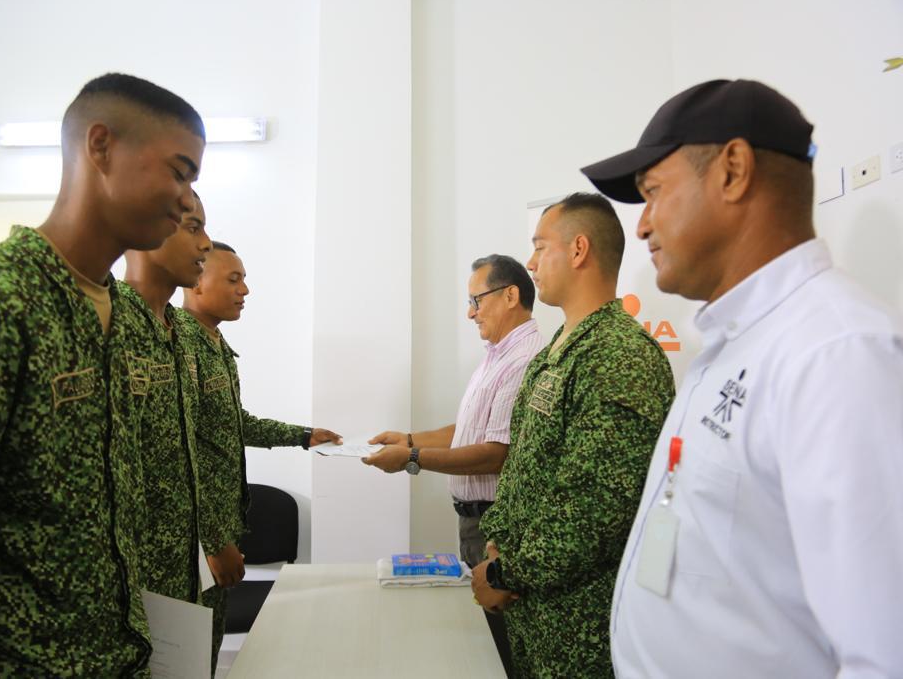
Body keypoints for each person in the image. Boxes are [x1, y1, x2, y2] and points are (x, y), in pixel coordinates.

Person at [0, 73, 205, 675]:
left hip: (118, 658)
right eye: (179, 172)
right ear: (100, 146)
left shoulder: (128, 320)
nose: (188, 201)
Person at [581, 79, 903, 678]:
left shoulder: (835, 354)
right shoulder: (734, 340)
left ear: (733, 170)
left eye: (653, 193)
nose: (643, 225)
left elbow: (885, 654)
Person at [472, 193, 675, 678]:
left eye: (541, 247)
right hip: (534, 612)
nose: (531, 262)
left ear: (579, 250)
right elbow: (522, 468)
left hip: (577, 627)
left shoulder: (619, 355)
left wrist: (505, 572)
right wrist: (497, 541)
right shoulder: (554, 353)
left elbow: (597, 509)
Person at [177, 241, 341, 673]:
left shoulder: (213, 343)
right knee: (184, 657)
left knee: (203, 656)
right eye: (234, 279)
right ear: (196, 279)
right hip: (190, 540)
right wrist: (212, 541)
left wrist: (303, 436)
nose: (245, 290)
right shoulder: (179, 343)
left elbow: (235, 423)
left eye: (244, 279)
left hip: (217, 531)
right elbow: (179, 450)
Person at [364, 254, 543, 568]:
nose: (470, 313)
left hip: (497, 522)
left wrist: (412, 456)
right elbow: (468, 431)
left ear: (510, 296)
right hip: (477, 520)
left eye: (476, 300)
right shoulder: (498, 355)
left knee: (496, 616)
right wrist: (407, 439)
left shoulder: (523, 359)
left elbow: (495, 454)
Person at [118, 191, 212, 602]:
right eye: (193, 228)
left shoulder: (182, 332)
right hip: (127, 581)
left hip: (181, 571)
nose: (206, 243)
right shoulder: (111, 321)